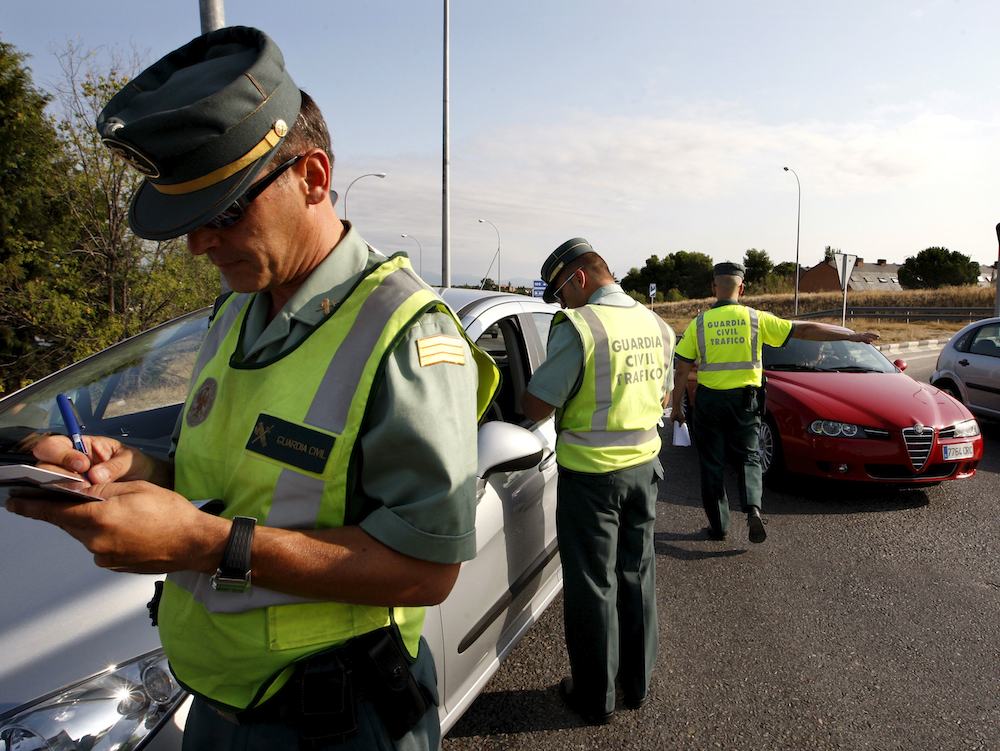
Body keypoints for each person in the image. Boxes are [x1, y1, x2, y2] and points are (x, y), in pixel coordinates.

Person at [7, 26, 499, 751]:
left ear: (314, 178)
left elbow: (428, 569)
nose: (199, 244)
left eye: (225, 211)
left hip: (338, 721)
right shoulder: (236, 310)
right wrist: (124, 467)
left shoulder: (406, 336)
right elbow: (221, 473)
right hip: (214, 705)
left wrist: (207, 543)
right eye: (190, 221)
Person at [521, 238, 675, 725]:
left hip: (592, 476)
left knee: (592, 586)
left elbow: (536, 404)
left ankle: (594, 696)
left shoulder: (581, 326)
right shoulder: (657, 323)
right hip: (645, 469)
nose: (561, 302)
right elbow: (665, 396)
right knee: (638, 573)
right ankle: (637, 684)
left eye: (560, 291)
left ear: (580, 278)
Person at [671, 261, 879, 544]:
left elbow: (682, 369)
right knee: (749, 456)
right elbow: (804, 330)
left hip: (710, 403)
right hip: (746, 401)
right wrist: (850, 336)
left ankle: (718, 526)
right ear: (742, 289)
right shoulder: (756, 319)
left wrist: (677, 410)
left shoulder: (700, 324)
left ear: (713, 287)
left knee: (712, 464)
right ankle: (753, 509)